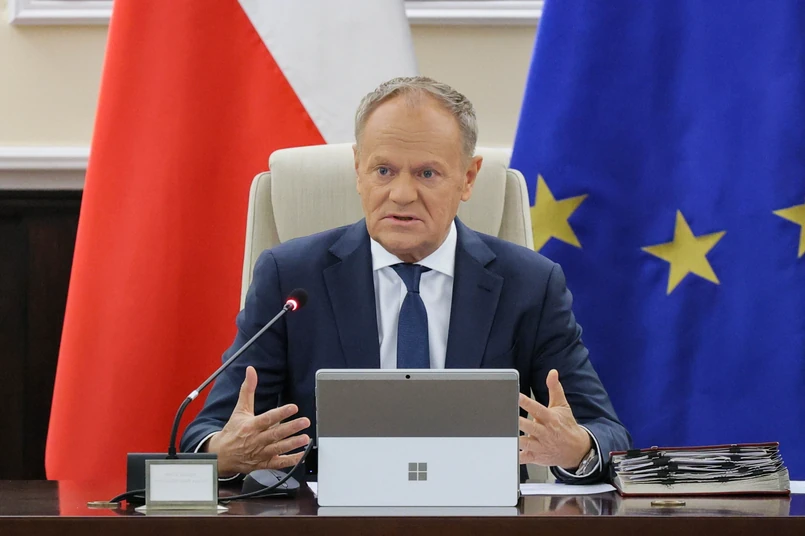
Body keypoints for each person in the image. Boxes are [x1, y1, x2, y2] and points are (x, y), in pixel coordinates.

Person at [181, 76, 631, 483]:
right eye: (383, 171)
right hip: (328, 525)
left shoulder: (529, 283)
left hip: (480, 524)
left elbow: (607, 433)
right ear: (358, 171)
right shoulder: (291, 278)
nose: (401, 194)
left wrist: (577, 449)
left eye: (426, 173)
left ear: (468, 178)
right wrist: (226, 453)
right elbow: (208, 434)